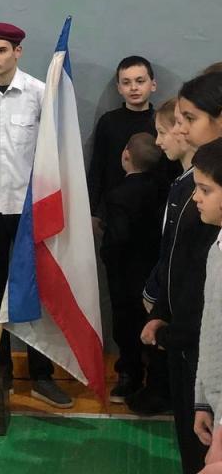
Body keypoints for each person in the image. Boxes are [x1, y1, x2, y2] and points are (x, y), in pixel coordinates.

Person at [0, 21, 72, 409]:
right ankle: (1, 372)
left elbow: (50, 153)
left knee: (34, 291)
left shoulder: (39, 93)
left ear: (17, 52)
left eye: (1, 50)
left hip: (28, 210)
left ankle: (41, 375)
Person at [142, 72, 222, 474]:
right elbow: (176, 260)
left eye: (189, 118)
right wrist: (163, 313)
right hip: (194, 349)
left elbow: (207, 294)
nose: (181, 130)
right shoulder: (189, 186)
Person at [130, 97, 194, 416]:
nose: (157, 141)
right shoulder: (180, 184)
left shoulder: (194, 188)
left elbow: (184, 254)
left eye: (163, 131)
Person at [100, 132, 165, 404]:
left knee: (126, 326)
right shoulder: (163, 189)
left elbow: (118, 239)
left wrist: (106, 252)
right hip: (154, 272)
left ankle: (130, 375)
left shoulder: (118, 195)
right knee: (151, 323)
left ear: (125, 154)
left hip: (124, 274)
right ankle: (157, 380)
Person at [87, 56, 158, 224]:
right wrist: (91, 210)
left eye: (140, 81)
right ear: (119, 88)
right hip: (113, 212)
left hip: (154, 211)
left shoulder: (160, 123)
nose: (134, 88)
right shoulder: (108, 122)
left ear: (153, 84)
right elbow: (97, 168)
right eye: (126, 83)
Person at [192, 139, 222, 474]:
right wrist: (204, 399)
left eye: (205, 190)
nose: (195, 198)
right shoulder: (217, 247)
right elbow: (211, 333)